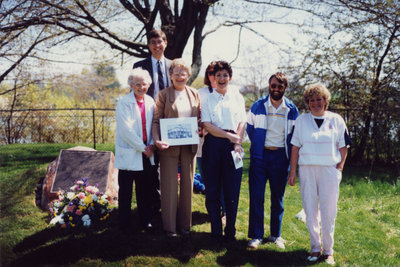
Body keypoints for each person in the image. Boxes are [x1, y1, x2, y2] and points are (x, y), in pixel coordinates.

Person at [288, 83, 350, 265]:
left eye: (319, 99)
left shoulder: (336, 120)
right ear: (308, 102)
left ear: (325, 100)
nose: (316, 103)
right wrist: (293, 171)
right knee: (310, 208)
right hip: (307, 169)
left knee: (329, 210)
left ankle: (328, 250)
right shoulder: (301, 121)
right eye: (312, 100)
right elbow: (295, 147)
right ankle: (315, 248)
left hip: (329, 170)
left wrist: (339, 168)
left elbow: (343, 146)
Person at [246, 72, 299, 249]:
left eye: (280, 86)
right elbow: (250, 129)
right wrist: (259, 146)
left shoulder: (291, 109)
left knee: (278, 198)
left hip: (280, 157)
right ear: (269, 86)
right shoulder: (258, 106)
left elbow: (295, 137)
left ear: (285, 88)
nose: (276, 89)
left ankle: (275, 235)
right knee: (257, 197)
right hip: (260, 156)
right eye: (273, 85)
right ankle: (256, 236)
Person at [152, 58, 201, 237]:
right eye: (176, 73)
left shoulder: (194, 93)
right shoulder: (164, 95)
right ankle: (169, 227)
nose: (180, 76)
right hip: (168, 146)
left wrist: (201, 129)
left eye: (183, 73)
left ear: (188, 75)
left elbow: (199, 119)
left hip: (189, 145)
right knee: (169, 186)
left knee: (188, 185)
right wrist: (157, 140)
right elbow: (156, 120)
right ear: (171, 75)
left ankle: (184, 226)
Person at [201, 61, 247, 242]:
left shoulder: (236, 97)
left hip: (232, 147)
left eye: (225, 75)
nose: (221, 79)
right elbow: (207, 125)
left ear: (230, 77)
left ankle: (230, 231)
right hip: (213, 145)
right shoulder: (207, 99)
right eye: (218, 75)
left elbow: (242, 122)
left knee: (232, 190)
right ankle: (216, 231)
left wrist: (237, 141)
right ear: (213, 78)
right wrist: (230, 137)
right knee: (212, 189)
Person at [114, 67, 158, 232]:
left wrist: (152, 144)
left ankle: (145, 220)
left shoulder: (150, 101)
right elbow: (126, 131)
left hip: (147, 152)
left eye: (144, 84)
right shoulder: (124, 103)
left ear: (149, 84)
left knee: (145, 190)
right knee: (125, 191)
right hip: (131, 152)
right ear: (131, 84)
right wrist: (143, 147)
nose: (141, 87)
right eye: (137, 84)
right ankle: (124, 223)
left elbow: (154, 124)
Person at [197, 61, 226, 218]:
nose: (213, 75)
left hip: (224, 144)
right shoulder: (200, 93)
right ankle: (213, 211)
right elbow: (194, 115)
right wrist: (199, 125)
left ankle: (225, 212)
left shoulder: (229, 93)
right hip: (203, 144)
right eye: (210, 72)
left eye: (217, 72)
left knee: (224, 180)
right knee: (208, 179)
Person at [133, 29, 172, 101]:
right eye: (153, 42)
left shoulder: (173, 65)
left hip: (169, 109)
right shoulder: (139, 66)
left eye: (159, 42)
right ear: (149, 45)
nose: (157, 45)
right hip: (149, 109)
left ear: (165, 43)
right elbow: (134, 91)